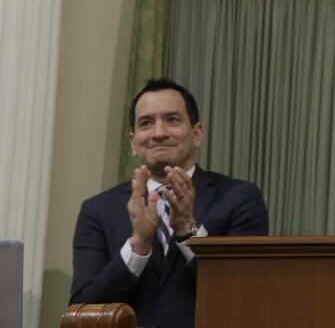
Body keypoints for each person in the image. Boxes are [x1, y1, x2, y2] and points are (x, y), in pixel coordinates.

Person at [70, 78, 269, 328]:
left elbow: (244, 294)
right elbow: (83, 311)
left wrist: (188, 230)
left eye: (172, 120)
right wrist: (138, 245)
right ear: (133, 142)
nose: (159, 132)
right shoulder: (97, 210)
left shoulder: (239, 198)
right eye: (146, 123)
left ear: (197, 134)